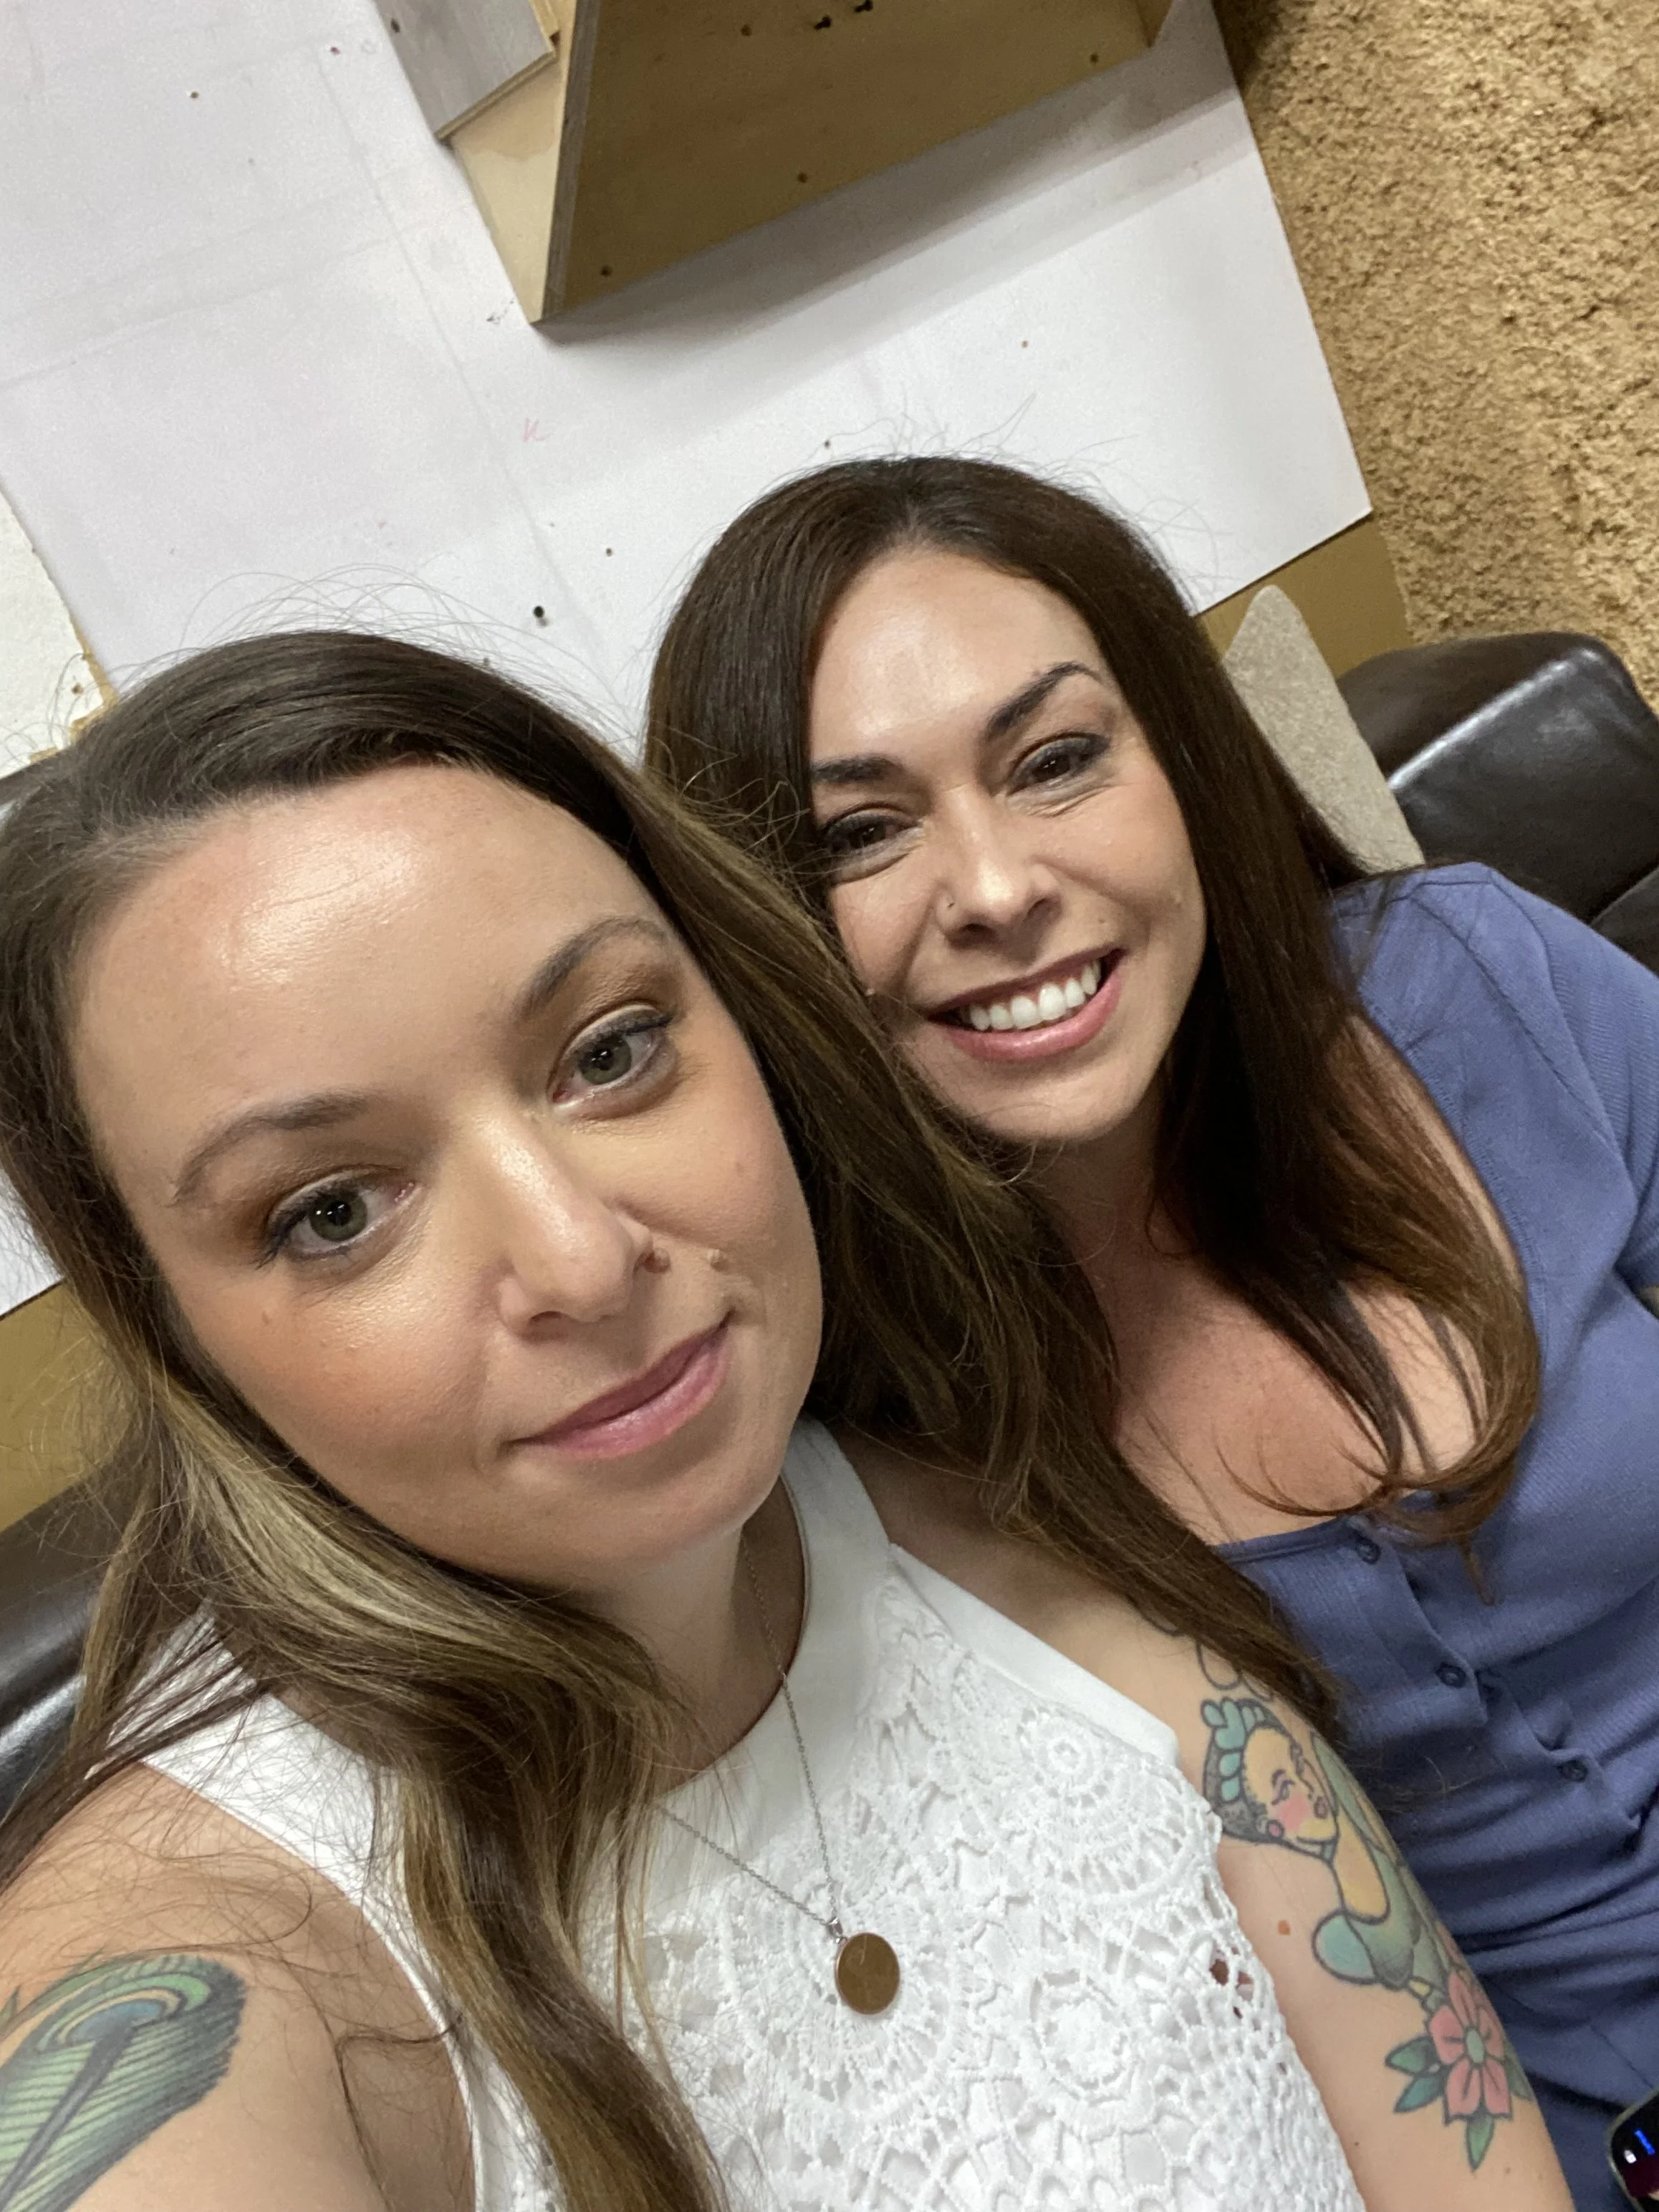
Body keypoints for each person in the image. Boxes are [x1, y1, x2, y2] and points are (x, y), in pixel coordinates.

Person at [0, 630, 1568, 2212]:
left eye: (610, 1052)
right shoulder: (214, 1952)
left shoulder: (978, 1510)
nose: (581, 1254)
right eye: (333, 1209)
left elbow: (1454, 2136)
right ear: (174, 1330)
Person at [645, 454, 1659, 2208]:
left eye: (1055, 761)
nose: (994, 884)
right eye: (861, 832)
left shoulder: (1470, 979)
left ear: (1181, 766)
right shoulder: (832, 1423)